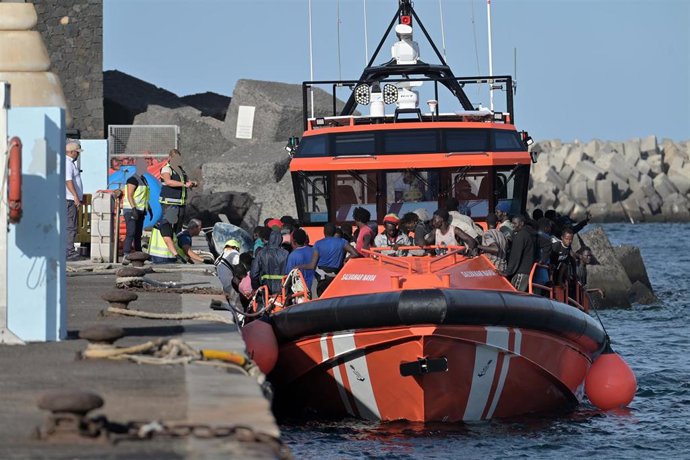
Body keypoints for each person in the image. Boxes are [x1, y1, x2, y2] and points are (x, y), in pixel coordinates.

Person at [300, 222, 360, 297]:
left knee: (316, 300)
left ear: (324, 232)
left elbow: (312, 265)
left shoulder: (318, 244)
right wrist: (345, 259)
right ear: (334, 232)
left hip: (320, 279)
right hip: (335, 277)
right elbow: (355, 253)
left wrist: (299, 266)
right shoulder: (342, 242)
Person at [158, 149, 197, 258]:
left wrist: (192, 183)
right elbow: (168, 181)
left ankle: (178, 253)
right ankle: (173, 253)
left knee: (178, 230)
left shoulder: (180, 170)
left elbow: (186, 181)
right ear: (170, 158)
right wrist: (185, 184)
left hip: (180, 204)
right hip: (170, 204)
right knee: (167, 228)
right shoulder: (167, 169)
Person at [122, 159, 151, 262]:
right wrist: (133, 208)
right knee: (131, 232)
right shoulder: (132, 179)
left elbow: (144, 196)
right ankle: (126, 254)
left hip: (141, 210)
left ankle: (138, 254)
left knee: (138, 233)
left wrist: (149, 208)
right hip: (131, 210)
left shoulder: (144, 179)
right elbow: (129, 195)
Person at [502, 215, 535, 292]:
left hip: (520, 272)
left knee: (515, 297)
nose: (513, 226)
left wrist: (507, 272)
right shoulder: (526, 234)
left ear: (522, 223)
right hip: (524, 272)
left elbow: (515, 256)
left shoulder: (520, 235)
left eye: (515, 223)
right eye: (512, 223)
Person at [250, 230, 289, 295]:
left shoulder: (261, 253)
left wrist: (256, 287)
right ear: (281, 240)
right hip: (282, 290)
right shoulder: (286, 253)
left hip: (266, 289)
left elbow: (254, 274)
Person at [65, 141, 84, 261]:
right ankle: (69, 252)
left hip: (70, 199)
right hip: (69, 200)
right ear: (72, 152)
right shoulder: (68, 164)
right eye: (77, 152)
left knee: (70, 225)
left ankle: (68, 250)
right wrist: (75, 196)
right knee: (70, 226)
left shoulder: (70, 163)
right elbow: (68, 181)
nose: (78, 155)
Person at [284, 229, 315, 296]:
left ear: (294, 241)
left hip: (300, 290)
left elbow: (288, 274)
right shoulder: (313, 251)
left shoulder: (293, 255)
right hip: (314, 287)